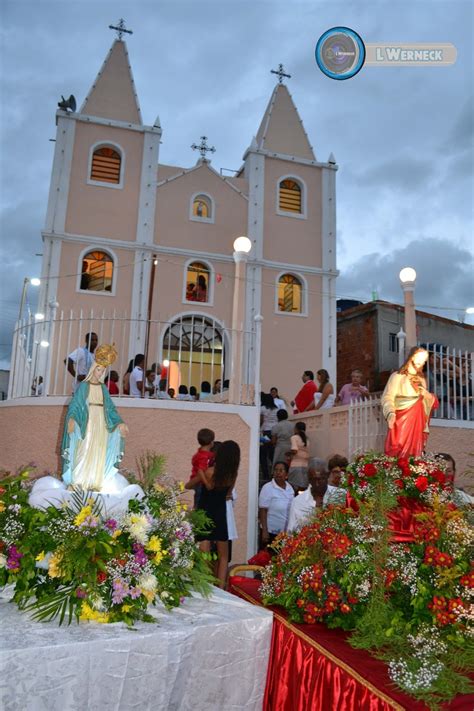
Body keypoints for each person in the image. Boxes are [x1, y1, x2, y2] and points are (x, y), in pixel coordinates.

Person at [61, 344, 128, 490]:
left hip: (101, 423)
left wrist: (120, 423)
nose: (100, 372)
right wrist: (72, 418)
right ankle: (78, 481)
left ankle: (94, 481)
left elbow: (110, 408)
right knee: (84, 448)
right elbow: (76, 404)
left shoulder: (103, 388)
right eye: (98, 369)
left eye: (103, 370)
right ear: (93, 369)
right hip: (88, 421)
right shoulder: (84, 386)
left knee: (98, 450)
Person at [185, 440, 240, 588]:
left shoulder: (209, 472)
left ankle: (204, 586)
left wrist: (200, 473)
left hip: (205, 512)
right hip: (220, 513)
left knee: (204, 554)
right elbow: (228, 495)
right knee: (223, 556)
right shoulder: (232, 475)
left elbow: (188, 485)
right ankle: (221, 589)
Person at [381, 346, 438, 458]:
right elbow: (387, 397)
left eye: (424, 360)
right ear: (412, 357)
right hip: (401, 417)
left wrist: (427, 396)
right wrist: (390, 412)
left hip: (418, 418)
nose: (421, 362)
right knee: (398, 445)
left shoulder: (422, 379)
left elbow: (426, 400)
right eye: (419, 358)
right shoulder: (397, 376)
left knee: (415, 450)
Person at [287, 462, 346, 532]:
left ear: (327, 476)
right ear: (309, 480)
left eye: (320, 479)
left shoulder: (340, 494)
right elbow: (290, 531)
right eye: (313, 480)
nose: (317, 484)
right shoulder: (298, 502)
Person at [258, 461, 295, 547]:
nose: (278, 473)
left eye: (281, 470)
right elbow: (263, 510)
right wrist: (264, 531)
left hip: (286, 533)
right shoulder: (267, 487)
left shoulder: (290, 488)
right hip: (271, 532)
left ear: (286, 474)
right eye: (276, 470)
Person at [190, 428, 215, 509]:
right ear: (211, 442)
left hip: (199, 482)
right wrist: (207, 483)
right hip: (200, 483)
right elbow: (200, 471)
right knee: (199, 504)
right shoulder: (204, 456)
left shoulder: (200, 453)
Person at [260, 393, 278, 480]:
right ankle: (274, 473)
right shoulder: (277, 409)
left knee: (263, 455)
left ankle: (266, 475)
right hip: (275, 433)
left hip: (265, 433)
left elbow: (261, 420)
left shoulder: (262, 408)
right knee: (272, 455)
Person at [288, 421, 310, 492]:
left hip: (295, 465)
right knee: (303, 487)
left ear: (296, 429)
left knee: (294, 487)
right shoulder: (307, 439)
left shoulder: (294, 437)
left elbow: (294, 450)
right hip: (305, 466)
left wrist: (288, 453)